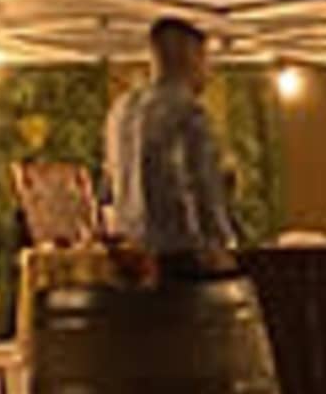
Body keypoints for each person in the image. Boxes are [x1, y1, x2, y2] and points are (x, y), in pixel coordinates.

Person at [100, 18, 237, 278]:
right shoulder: (187, 110)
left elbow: (108, 186)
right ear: (190, 56)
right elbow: (202, 183)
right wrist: (220, 244)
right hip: (180, 255)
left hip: (132, 258)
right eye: (205, 60)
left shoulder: (120, 109)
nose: (208, 72)